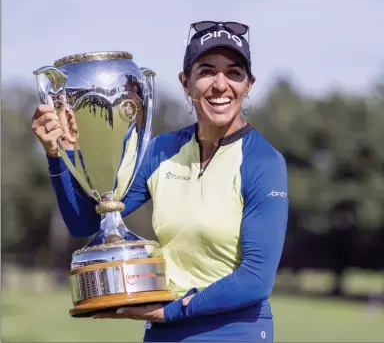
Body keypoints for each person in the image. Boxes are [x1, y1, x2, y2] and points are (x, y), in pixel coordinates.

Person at [31, 20, 289, 342]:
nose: (220, 84)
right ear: (186, 82)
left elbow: (256, 279)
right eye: (207, 71)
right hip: (164, 334)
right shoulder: (161, 150)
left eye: (234, 72)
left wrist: (169, 311)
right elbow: (86, 223)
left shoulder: (263, 162)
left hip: (234, 332)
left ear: (249, 84)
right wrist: (59, 154)